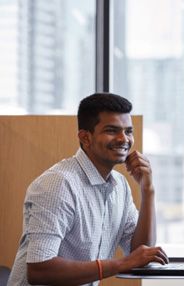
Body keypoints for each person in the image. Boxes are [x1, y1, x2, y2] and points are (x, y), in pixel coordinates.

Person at [8, 93, 169, 285]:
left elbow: (140, 254)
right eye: (112, 130)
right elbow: (39, 270)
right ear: (85, 137)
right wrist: (121, 264)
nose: (123, 139)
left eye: (128, 131)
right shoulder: (58, 184)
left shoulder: (120, 186)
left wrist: (148, 190)